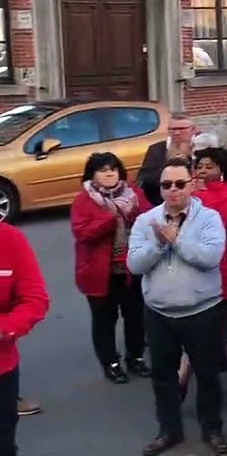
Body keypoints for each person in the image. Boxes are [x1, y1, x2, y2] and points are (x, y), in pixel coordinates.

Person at [127, 157, 227, 456]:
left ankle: (212, 428)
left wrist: (176, 242)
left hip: (202, 310)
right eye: (166, 184)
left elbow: (211, 257)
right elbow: (134, 265)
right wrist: (160, 245)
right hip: (159, 312)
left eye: (179, 184)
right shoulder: (145, 221)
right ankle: (168, 430)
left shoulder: (209, 218)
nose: (173, 190)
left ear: (193, 185)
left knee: (207, 374)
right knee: (162, 375)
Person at [70, 152, 151, 383]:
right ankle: (110, 362)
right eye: (103, 170)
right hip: (99, 272)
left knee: (136, 316)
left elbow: (149, 218)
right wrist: (110, 217)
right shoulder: (83, 200)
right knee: (104, 321)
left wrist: (134, 215)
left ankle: (135, 358)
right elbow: (82, 233)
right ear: (92, 175)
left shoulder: (134, 194)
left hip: (131, 268)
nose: (109, 174)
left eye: (113, 169)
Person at [0, 222, 49, 456]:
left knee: (3, 452)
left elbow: (34, 299)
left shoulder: (10, 240)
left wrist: (5, 327)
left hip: (1, 370)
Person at [192, 147, 227, 372]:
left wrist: (202, 196)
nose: (203, 171)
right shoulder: (189, 190)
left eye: (209, 166)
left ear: (221, 169)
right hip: (194, 257)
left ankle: (224, 351)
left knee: (223, 309)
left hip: (224, 259)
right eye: (200, 166)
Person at [138, 113, 198, 205]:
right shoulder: (156, 149)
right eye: (173, 129)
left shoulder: (202, 147)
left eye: (182, 129)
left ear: (193, 129)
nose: (177, 133)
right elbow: (146, 178)